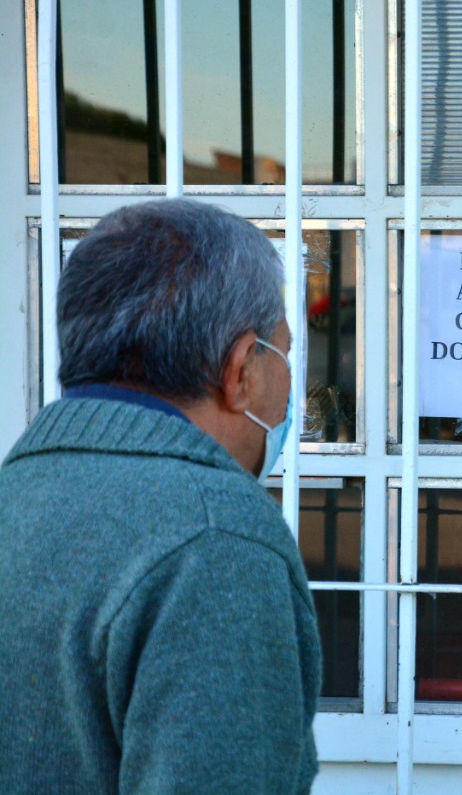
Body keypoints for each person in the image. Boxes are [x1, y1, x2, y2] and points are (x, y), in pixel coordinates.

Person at [0, 199, 321, 793]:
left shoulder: (17, 493)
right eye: (283, 355)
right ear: (241, 368)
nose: (288, 391)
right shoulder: (215, 538)